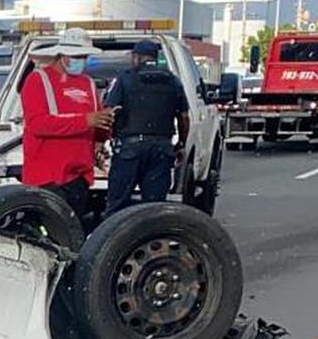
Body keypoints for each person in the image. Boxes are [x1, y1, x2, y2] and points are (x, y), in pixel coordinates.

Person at [20, 28, 116, 223]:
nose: (80, 60)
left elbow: (96, 123)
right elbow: (37, 124)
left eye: (83, 56)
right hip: (47, 176)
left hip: (78, 176)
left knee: (73, 230)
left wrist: (105, 126)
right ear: (62, 55)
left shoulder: (87, 83)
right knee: (51, 228)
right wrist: (86, 120)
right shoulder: (38, 80)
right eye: (76, 56)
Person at [102, 40, 191, 217]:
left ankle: (115, 242)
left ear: (137, 57)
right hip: (161, 149)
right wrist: (181, 143)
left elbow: (109, 112)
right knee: (155, 208)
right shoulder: (172, 80)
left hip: (129, 149)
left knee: (117, 206)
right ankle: (152, 242)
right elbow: (184, 117)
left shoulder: (126, 78)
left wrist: (102, 141)